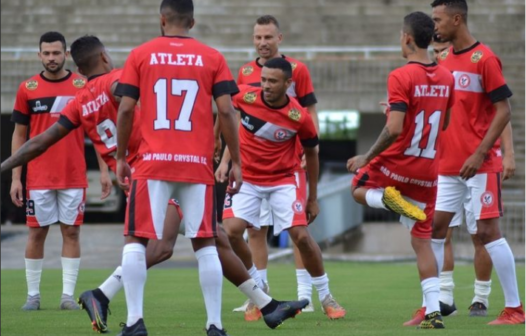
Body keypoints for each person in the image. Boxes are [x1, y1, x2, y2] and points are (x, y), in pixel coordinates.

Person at [1, 34, 308, 335]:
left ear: (79, 69)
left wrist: (5, 166)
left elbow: (40, 141)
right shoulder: (116, 80)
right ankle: (106, 296)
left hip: (142, 172)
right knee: (166, 247)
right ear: (105, 57)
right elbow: (126, 98)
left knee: (215, 238)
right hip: (157, 170)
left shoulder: (80, 100)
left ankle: (268, 306)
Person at [347, 11, 455, 329]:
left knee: (356, 187)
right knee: (423, 241)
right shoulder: (447, 77)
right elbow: (444, 123)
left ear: (407, 38)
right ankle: (432, 311)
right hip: (427, 171)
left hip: (396, 166)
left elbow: (394, 130)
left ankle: (387, 201)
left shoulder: (401, 76)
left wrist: (366, 156)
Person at [221, 57, 346, 321]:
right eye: (264, 79)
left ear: (288, 84)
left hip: (283, 179)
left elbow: (312, 154)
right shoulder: (244, 96)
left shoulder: (299, 117)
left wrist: (312, 198)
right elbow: (224, 114)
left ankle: (326, 296)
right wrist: (226, 157)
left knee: (301, 236)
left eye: (273, 81)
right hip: (248, 179)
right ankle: (259, 288)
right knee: (231, 232)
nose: (265, 85)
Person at [216, 14, 319, 319]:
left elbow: (309, 110)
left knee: (297, 230)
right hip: (251, 165)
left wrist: (308, 147)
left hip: (289, 161)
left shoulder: (298, 70)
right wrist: (226, 159)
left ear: (279, 38)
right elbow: (236, 121)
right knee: (253, 231)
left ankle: (305, 296)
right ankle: (260, 295)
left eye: (268, 37)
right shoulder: (246, 71)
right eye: (258, 37)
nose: (262, 43)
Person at [430, 0, 524, 325]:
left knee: (486, 232)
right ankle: (432, 306)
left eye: (438, 20)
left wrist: (482, 152)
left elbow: (504, 111)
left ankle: (514, 308)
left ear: (457, 19)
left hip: (480, 165)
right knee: (434, 229)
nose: (435, 26)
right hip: (447, 167)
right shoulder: (442, 61)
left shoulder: (484, 58)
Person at [10, 31, 90, 311]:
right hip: (39, 177)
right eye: (46, 53)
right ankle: (33, 295)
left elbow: (97, 129)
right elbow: (19, 136)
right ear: (39, 55)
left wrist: (105, 171)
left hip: (73, 174)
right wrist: (16, 177)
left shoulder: (82, 84)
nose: (51, 58)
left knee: (71, 233)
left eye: (56, 53)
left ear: (66, 54)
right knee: (36, 233)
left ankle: (67, 296)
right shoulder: (27, 88)